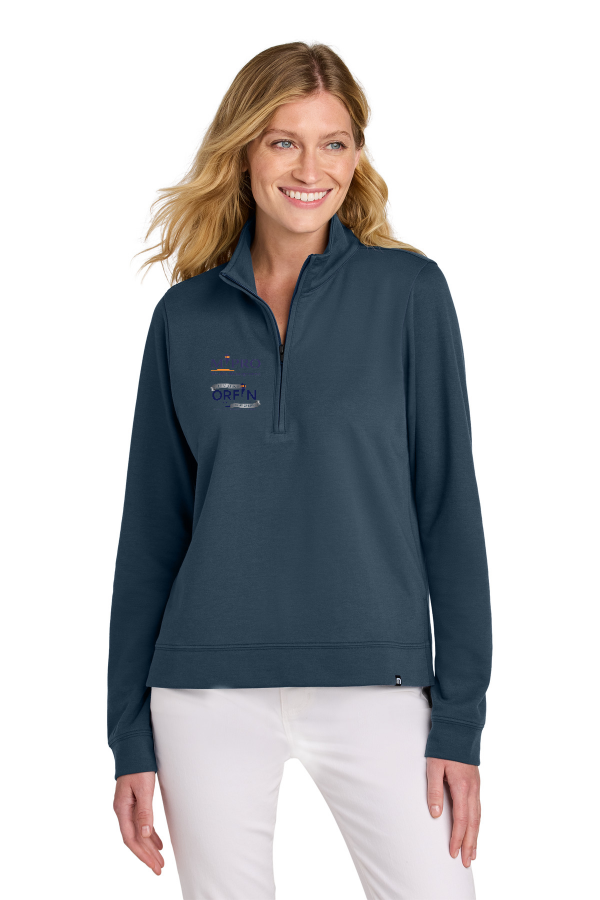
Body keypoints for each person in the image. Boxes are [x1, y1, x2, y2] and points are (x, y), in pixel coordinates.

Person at [108, 41, 492, 900]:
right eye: (284, 142)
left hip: (380, 682)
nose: (310, 169)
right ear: (243, 151)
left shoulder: (410, 294)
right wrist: (128, 736)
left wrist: (460, 722)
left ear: (356, 156)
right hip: (203, 692)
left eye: (333, 143)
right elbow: (150, 535)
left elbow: (448, 511)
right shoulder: (185, 318)